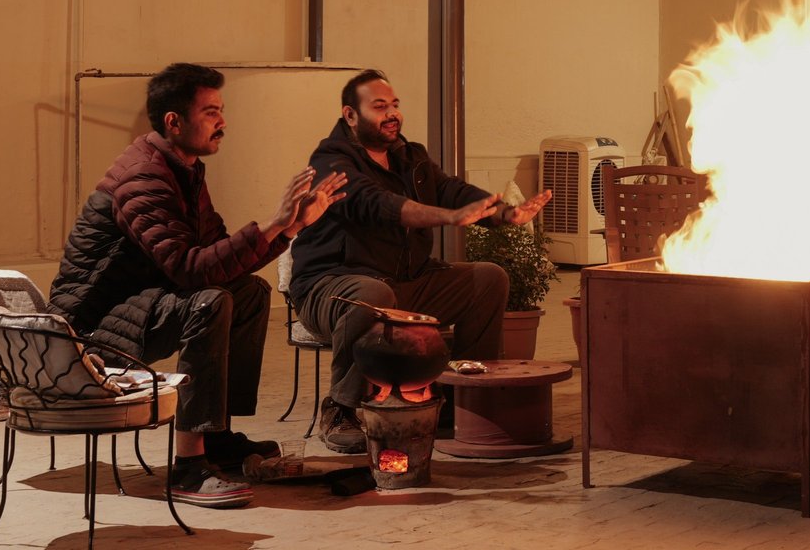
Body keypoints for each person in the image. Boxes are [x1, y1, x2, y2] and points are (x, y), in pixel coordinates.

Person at [50, 62, 346, 508]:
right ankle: (188, 466)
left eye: (221, 110)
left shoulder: (183, 169)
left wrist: (290, 228)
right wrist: (272, 224)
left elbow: (217, 255)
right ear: (174, 121)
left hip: (137, 303)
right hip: (90, 329)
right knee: (208, 301)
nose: (222, 122)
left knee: (248, 293)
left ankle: (216, 437)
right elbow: (190, 270)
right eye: (211, 112)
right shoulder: (144, 178)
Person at [289, 69, 551, 454]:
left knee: (488, 279)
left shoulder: (410, 157)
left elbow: (450, 190)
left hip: (404, 282)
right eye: (380, 106)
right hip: (332, 288)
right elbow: (378, 204)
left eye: (395, 105)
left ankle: (461, 400)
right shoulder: (332, 160)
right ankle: (341, 410)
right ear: (350, 115)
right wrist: (448, 218)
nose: (392, 113)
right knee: (373, 294)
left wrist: (504, 213)